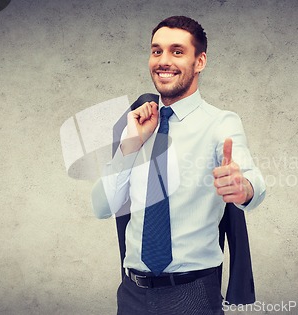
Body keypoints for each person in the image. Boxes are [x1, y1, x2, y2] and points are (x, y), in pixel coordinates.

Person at [91, 16, 266, 315]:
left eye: (177, 51)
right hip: (132, 294)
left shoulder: (220, 123)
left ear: (200, 61)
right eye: (156, 51)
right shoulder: (136, 123)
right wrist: (131, 144)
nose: (164, 61)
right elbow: (101, 207)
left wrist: (243, 188)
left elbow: (251, 179)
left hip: (193, 295)